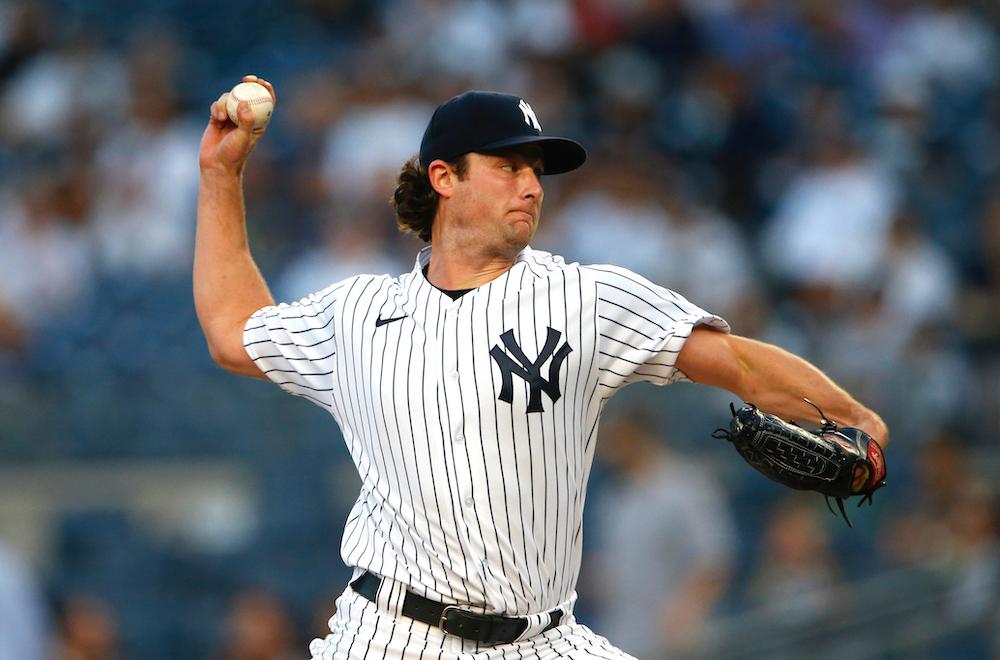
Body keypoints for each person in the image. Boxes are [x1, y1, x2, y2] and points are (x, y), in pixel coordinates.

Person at [195, 74, 889, 659]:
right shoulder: (357, 314)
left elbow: (735, 361)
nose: (531, 185)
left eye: (536, 170)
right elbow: (233, 333)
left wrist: (854, 419)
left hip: (544, 638)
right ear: (444, 177)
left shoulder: (585, 298)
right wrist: (221, 175)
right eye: (508, 167)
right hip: (393, 635)